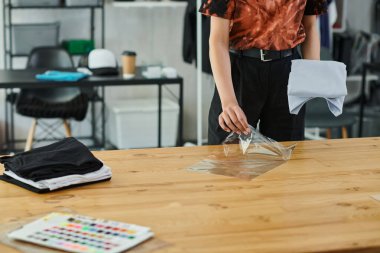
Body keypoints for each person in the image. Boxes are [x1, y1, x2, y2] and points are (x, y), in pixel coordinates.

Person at [199, 0, 327, 144]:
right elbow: (218, 41)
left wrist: (313, 74)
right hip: (241, 71)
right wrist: (228, 101)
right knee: (228, 155)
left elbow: (310, 25)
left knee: (289, 155)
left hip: (288, 71)